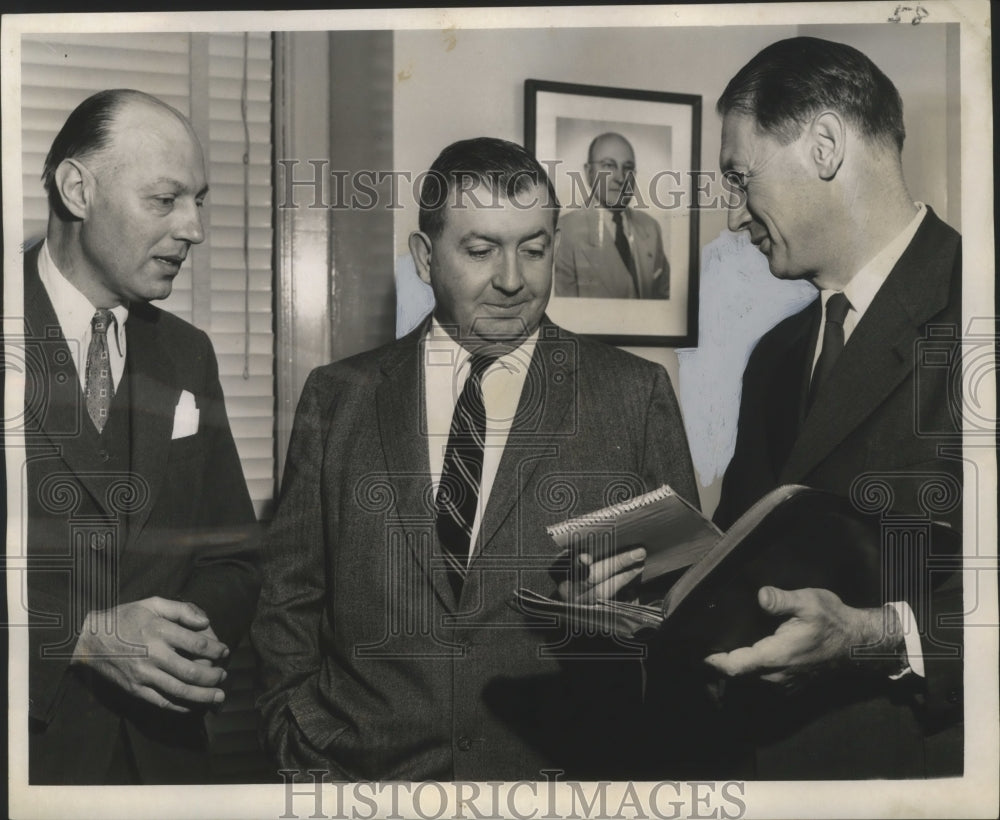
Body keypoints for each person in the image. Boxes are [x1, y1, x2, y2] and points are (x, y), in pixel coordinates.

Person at [576, 37, 964, 779]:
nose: (733, 213)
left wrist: (875, 637)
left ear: (824, 145)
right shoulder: (778, 353)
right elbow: (752, 548)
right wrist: (644, 581)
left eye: (740, 177)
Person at [251, 137, 698, 781]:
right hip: (364, 784)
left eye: (535, 249)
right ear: (424, 257)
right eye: (481, 250)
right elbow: (289, 598)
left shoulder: (633, 395)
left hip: (558, 783)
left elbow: (686, 613)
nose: (513, 280)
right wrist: (298, 740)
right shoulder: (337, 396)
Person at [22, 89, 260, 784]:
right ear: (77, 189)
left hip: (166, 764)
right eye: (165, 200)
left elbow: (238, 560)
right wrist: (84, 638)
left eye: (200, 201)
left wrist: (173, 641)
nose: (194, 229)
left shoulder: (189, 354)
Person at [554, 132, 669, 299]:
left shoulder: (650, 227)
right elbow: (565, 314)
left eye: (627, 168)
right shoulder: (565, 231)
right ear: (589, 172)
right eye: (609, 166)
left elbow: (665, 302)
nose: (621, 178)